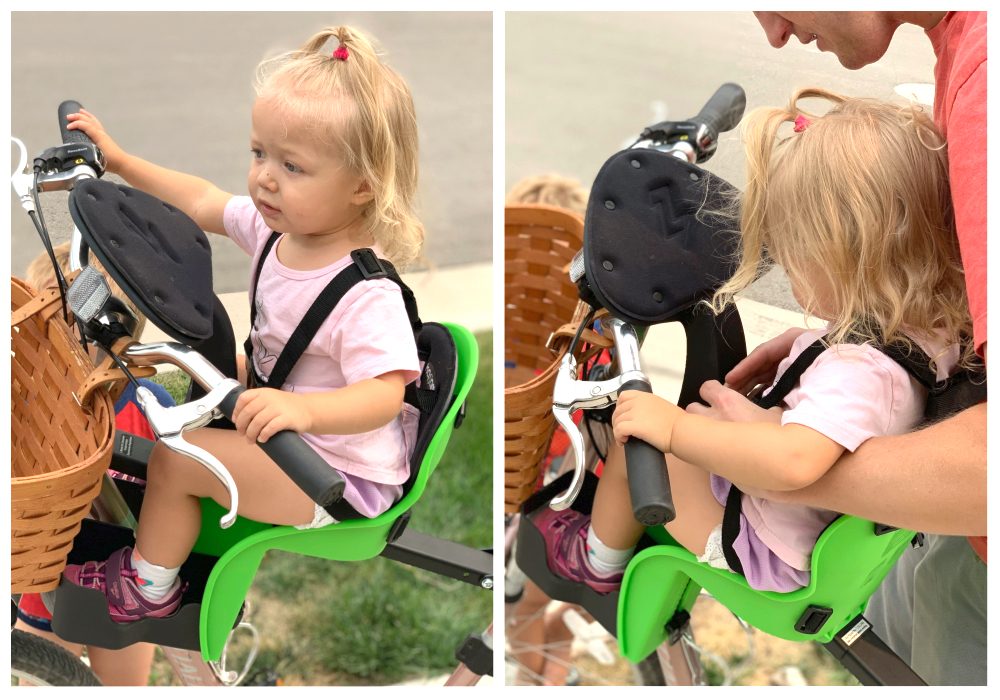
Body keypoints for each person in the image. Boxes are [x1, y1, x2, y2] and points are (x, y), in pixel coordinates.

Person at [535, 87, 976, 603]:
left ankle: (593, 559)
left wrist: (672, 428)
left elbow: (792, 461)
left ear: (840, 257)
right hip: (804, 525)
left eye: (793, 252)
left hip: (763, 542)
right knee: (686, 423)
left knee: (637, 437)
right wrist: (817, 340)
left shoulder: (858, 371)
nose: (787, 267)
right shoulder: (936, 325)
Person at [60, 25, 422, 622]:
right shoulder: (276, 229)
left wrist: (302, 412)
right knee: (186, 378)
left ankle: (148, 587)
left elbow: (385, 395)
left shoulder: (367, 296)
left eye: (293, 166)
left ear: (364, 186)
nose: (265, 178)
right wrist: (119, 162)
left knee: (177, 459)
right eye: (259, 154)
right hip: (290, 428)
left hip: (336, 474)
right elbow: (200, 199)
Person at [730, 12, 985, 684]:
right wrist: (847, 344)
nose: (772, 31)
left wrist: (773, 455)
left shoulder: (987, 79)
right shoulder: (965, 50)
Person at [14, 243, 168, 685]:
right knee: (40, 677)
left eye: (70, 330)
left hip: (128, 584)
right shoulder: (27, 411)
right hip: (49, 577)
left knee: (123, 685)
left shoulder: (149, 404)